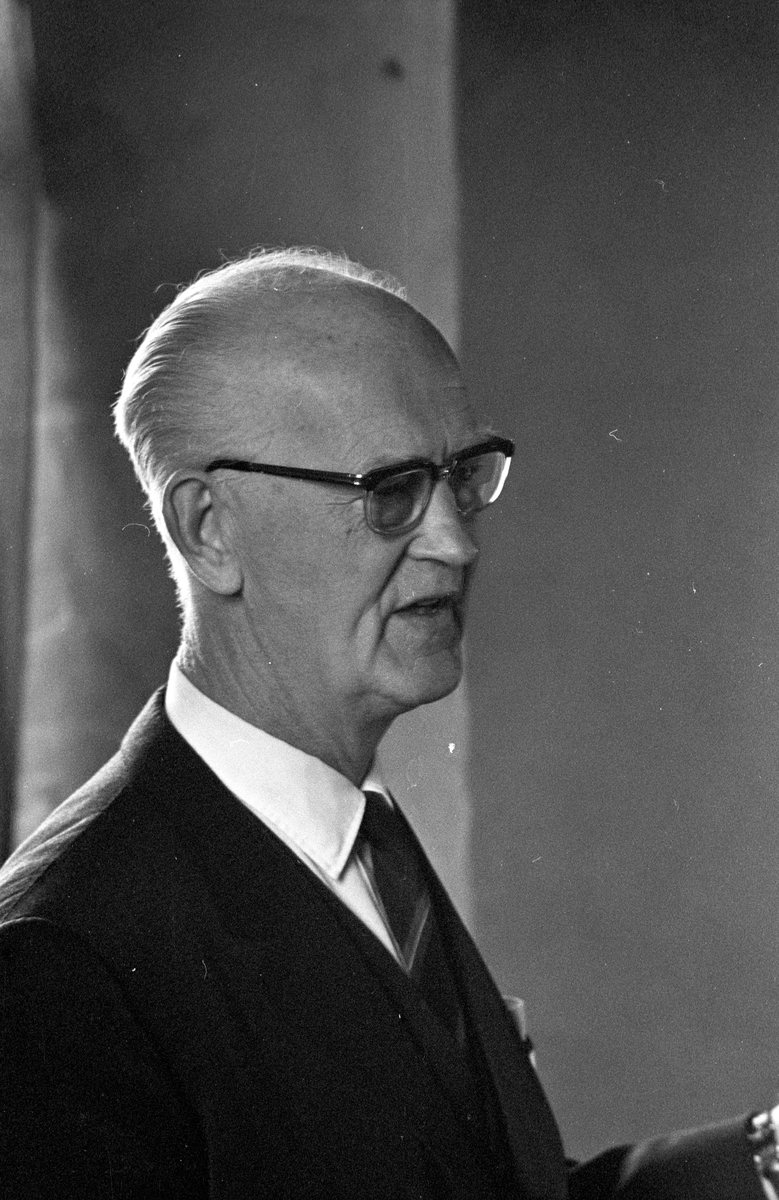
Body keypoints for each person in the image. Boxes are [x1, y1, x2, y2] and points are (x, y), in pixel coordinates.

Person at [0, 248, 772, 1198]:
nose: (454, 541)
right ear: (208, 529)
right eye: (390, 491)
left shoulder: (366, 845)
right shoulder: (58, 961)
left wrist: (767, 1157)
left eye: (462, 476)